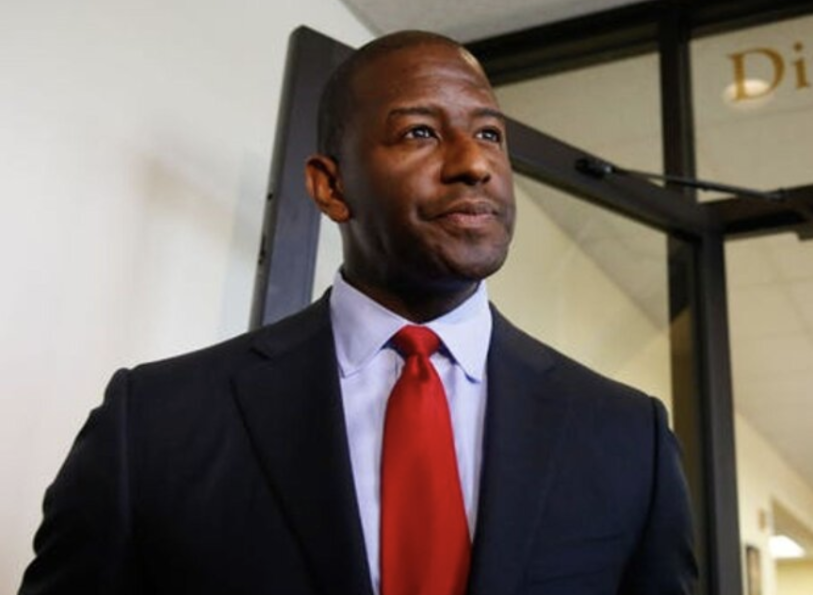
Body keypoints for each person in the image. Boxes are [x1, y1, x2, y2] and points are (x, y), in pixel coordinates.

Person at [19, 30, 697, 595]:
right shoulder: (156, 421)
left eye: (488, 133)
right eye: (421, 132)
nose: (473, 163)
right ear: (330, 184)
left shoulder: (624, 435)